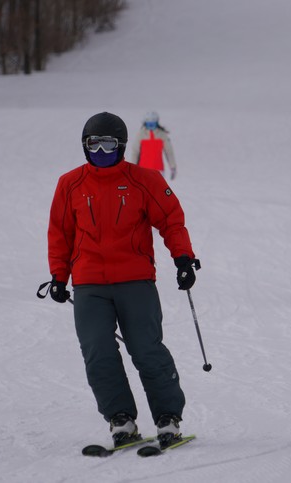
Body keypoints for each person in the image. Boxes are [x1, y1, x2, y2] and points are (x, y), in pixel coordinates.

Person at [45, 112, 199, 448]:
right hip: (89, 284)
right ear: (85, 147)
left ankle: (167, 418)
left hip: (135, 281)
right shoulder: (70, 183)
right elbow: (60, 233)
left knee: (146, 349)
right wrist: (59, 276)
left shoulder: (144, 180)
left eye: (109, 144)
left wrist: (183, 259)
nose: (101, 151)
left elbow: (172, 220)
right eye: (94, 144)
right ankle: (121, 420)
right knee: (97, 351)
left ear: (122, 145)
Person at [129, 111, 177, 180]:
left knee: (158, 189)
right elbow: (135, 152)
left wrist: (173, 167)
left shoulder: (162, 135)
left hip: (158, 170)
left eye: (153, 124)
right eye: (149, 124)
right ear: (145, 123)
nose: (151, 126)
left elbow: (169, 152)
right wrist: (132, 168)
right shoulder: (140, 134)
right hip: (143, 170)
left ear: (157, 123)